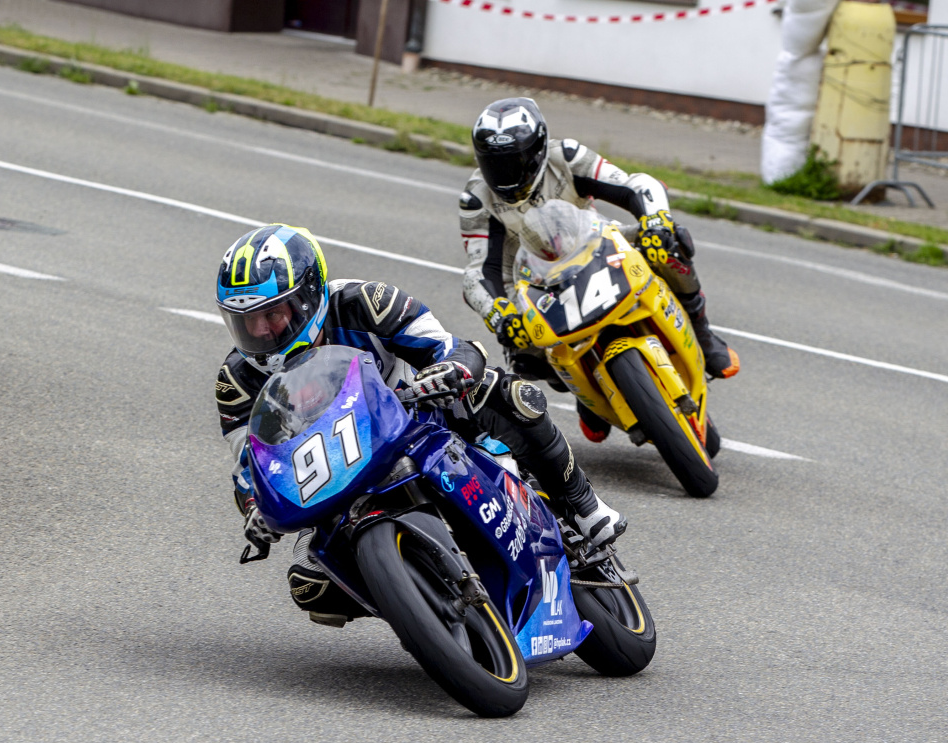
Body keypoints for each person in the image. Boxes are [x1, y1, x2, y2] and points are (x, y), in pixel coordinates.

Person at [215, 224, 627, 625]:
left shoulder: (367, 302)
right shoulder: (236, 382)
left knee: (505, 393)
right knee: (311, 586)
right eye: (246, 321)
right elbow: (252, 468)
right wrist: (254, 509)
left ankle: (584, 506)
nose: (261, 331)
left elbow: (451, 347)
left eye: (272, 313)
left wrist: (450, 370)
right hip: (335, 477)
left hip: (418, 419)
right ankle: (424, 604)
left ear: (307, 297)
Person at [458, 97, 739, 444]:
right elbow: (479, 272)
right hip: (530, 282)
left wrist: (656, 220)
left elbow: (635, 185)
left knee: (670, 243)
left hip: (595, 243)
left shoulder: (567, 156)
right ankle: (585, 391)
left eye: (515, 161)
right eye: (495, 164)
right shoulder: (476, 198)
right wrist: (500, 315)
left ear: (539, 149)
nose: (506, 174)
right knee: (525, 357)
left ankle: (704, 335)